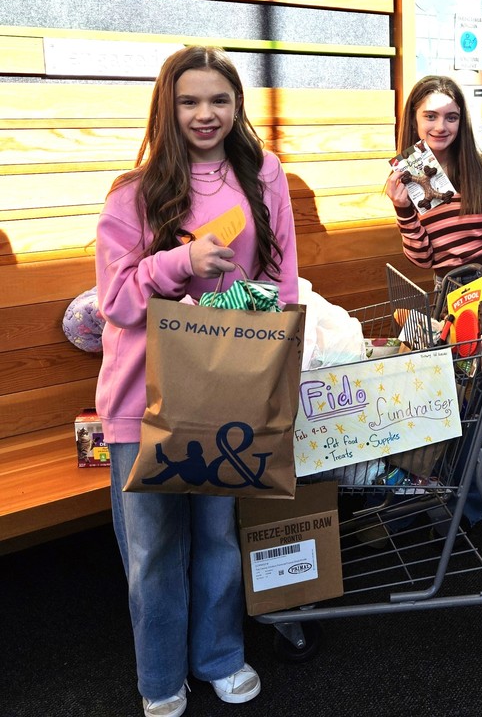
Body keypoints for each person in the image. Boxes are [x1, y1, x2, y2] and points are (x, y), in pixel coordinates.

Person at [95, 46, 298, 717]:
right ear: (168, 107)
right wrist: (178, 262)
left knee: (217, 535)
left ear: (237, 105)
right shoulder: (132, 194)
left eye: (219, 99)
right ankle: (159, 675)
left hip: (226, 390)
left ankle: (217, 656)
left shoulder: (264, 175)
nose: (205, 113)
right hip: (140, 398)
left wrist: (261, 340)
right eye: (189, 101)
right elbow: (115, 304)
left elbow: (282, 280)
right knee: (153, 550)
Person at [384, 75, 482, 531]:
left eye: (451, 116)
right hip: (450, 291)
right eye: (430, 116)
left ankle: (472, 510)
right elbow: (423, 256)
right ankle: (440, 494)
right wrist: (404, 209)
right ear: (414, 120)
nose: (441, 126)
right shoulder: (411, 175)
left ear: (462, 121)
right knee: (449, 398)